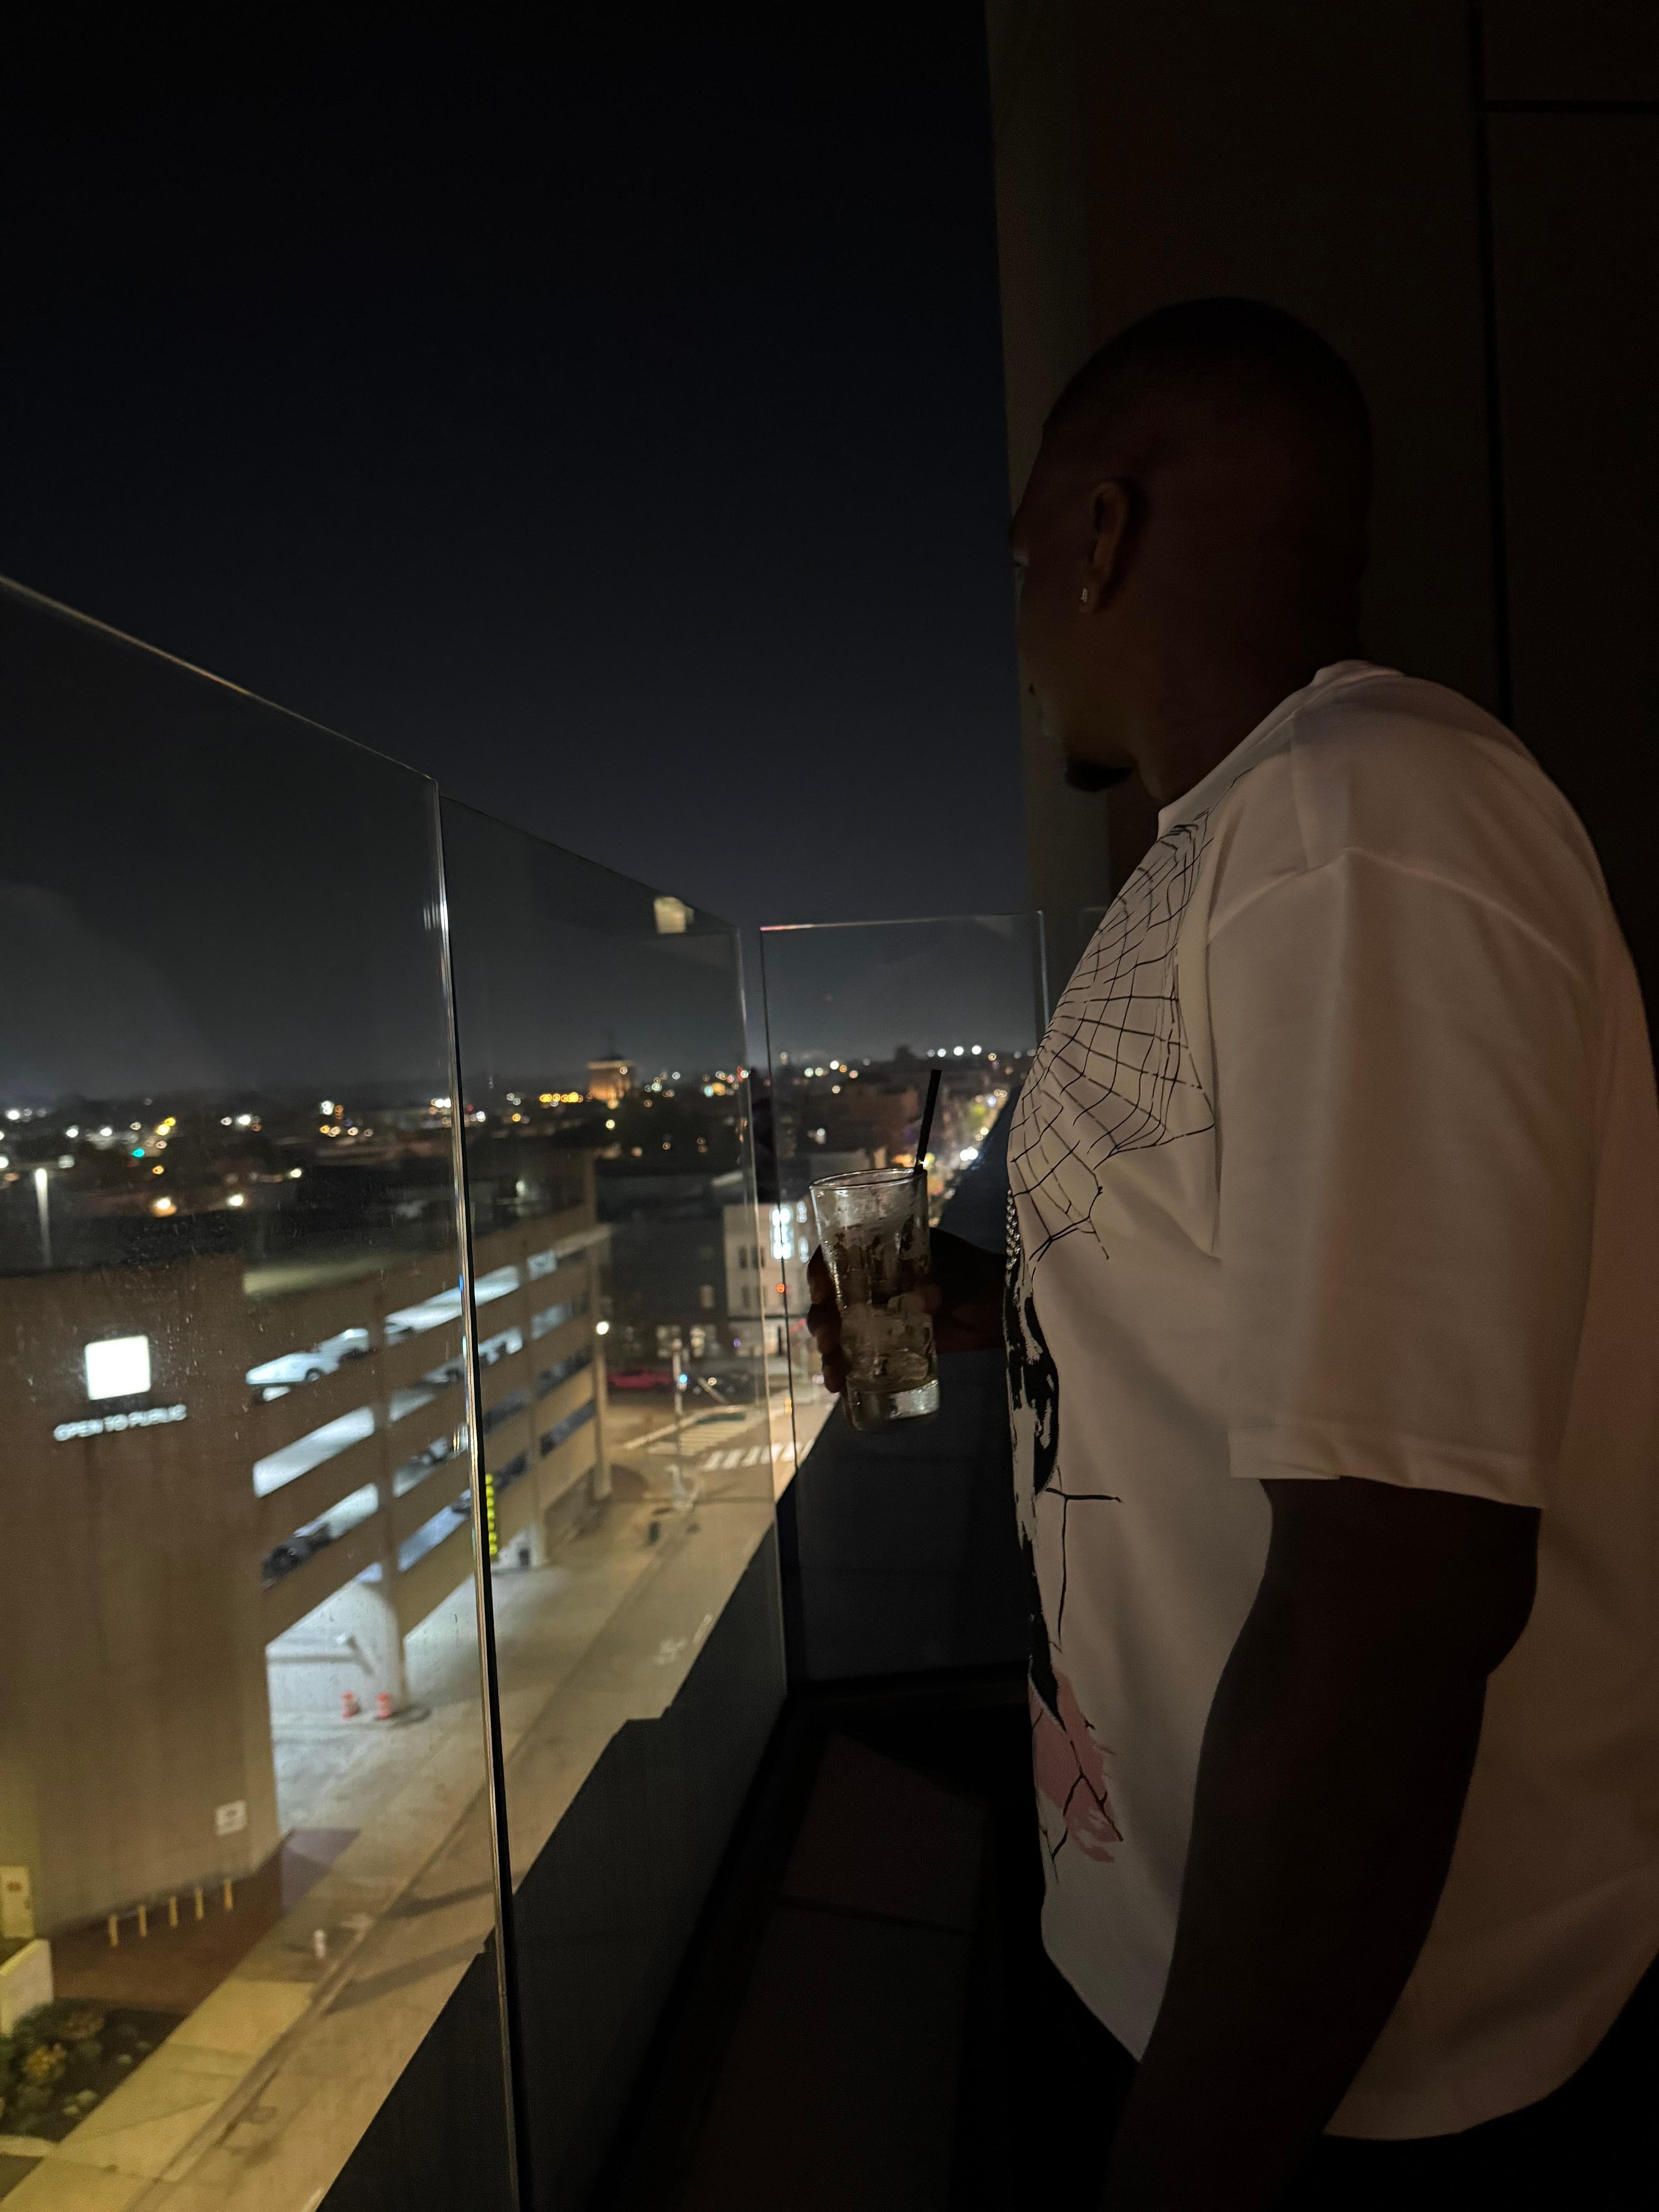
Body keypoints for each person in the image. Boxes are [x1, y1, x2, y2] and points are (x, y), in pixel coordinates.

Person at [809, 298, 1659, 2207]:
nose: (1018, 622)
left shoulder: (1368, 827)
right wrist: (972, 1303)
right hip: (1163, 1964)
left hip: (1358, 2075)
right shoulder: (1226, 856)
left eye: (1022, 555)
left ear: (1101, 535)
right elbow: (1235, 1308)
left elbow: (1398, 1587)